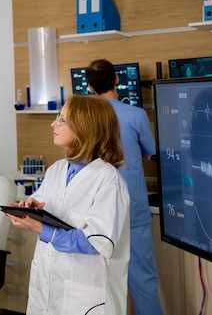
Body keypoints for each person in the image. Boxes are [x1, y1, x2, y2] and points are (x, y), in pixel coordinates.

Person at [5, 95, 130, 315]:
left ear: (85, 128)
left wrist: (45, 231)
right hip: (47, 286)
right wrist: (32, 208)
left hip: (85, 296)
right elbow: (46, 201)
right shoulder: (57, 169)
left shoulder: (109, 181)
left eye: (62, 120)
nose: (53, 124)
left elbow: (98, 242)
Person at [86, 59, 165, 315]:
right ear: (117, 80)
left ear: (89, 87)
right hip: (132, 209)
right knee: (143, 281)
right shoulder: (136, 115)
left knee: (101, 284)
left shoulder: (84, 118)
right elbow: (149, 153)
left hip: (95, 211)